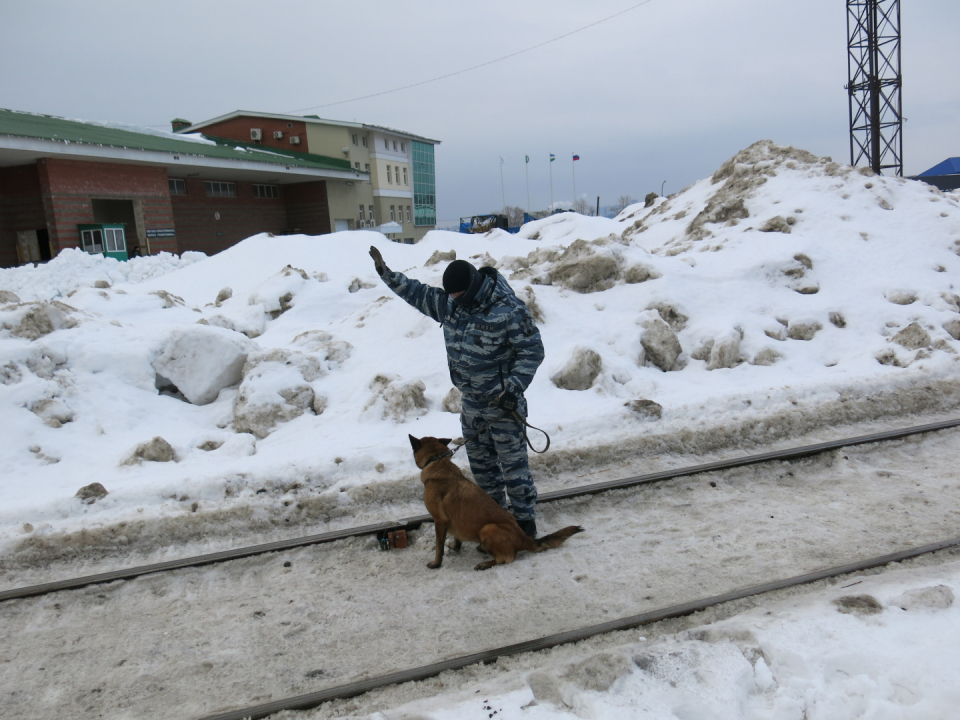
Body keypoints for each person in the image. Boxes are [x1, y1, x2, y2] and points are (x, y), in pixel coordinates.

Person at [369, 246, 545, 538]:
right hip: (472, 406)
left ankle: (525, 525)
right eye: (449, 295)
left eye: (457, 295)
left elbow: (532, 351)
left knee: (514, 471)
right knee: (483, 472)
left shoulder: (508, 310)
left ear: (472, 287)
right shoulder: (451, 304)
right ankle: (498, 521)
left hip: (504, 407)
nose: (452, 300)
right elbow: (417, 292)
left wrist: (514, 389)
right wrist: (386, 274)